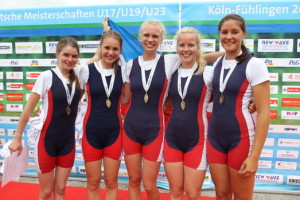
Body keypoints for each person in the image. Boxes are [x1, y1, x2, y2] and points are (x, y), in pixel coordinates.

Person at [121, 19, 223, 200]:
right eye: (146, 35)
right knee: (136, 181)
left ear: (161, 40)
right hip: (134, 129)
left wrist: (235, 52)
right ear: (140, 38)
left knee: (160, 187)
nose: (150, 39)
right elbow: (125, 98)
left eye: (155, 36)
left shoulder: (170, 61)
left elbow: (197, 58)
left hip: (164, 132)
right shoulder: (130, 65)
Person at [8, 37, 83, 200]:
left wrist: (107, 30)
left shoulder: (79, 77)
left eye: (74, 56)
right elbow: (27, 111)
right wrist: (17, 138)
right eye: (66, 55)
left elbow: (97, 59)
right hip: (46, 142)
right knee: (46, 192)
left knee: (61, 190)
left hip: (68, 143)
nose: (70, 60)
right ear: (57, 54)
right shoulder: (46, 77)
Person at [207, 14, 270, 200]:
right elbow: (199, 57)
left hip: (241, 139)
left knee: (242, 197)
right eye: (224, 32)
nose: (229, 36)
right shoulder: (218, 62)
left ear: (243, 33)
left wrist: (255, 157)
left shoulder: (255, 65)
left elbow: (265, 113)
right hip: (215, 139)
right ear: (219, 35)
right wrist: (230, 52)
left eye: (235, 32)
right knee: (221, 194)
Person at [76, 30, 126, 200]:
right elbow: (73, 97)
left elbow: (126, 99)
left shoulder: (123, 71)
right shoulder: (87, 70)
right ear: (100, 48)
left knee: (112, 182)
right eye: (106, 48)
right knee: (93, 182)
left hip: (114, 133)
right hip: (91, 133)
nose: (110, 53)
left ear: (120, 51)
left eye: (115, 49)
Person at [163, 27, 210, 200]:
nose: (186, 49)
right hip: (172, 139)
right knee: (175, 192)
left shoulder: (209, 73)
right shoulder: (170, 72)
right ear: (176, 47)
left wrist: (252, 103)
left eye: (191, 45)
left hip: (196, 141)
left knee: (192, 194)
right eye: (182, 45)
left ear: (197, 47)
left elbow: (232, 92)